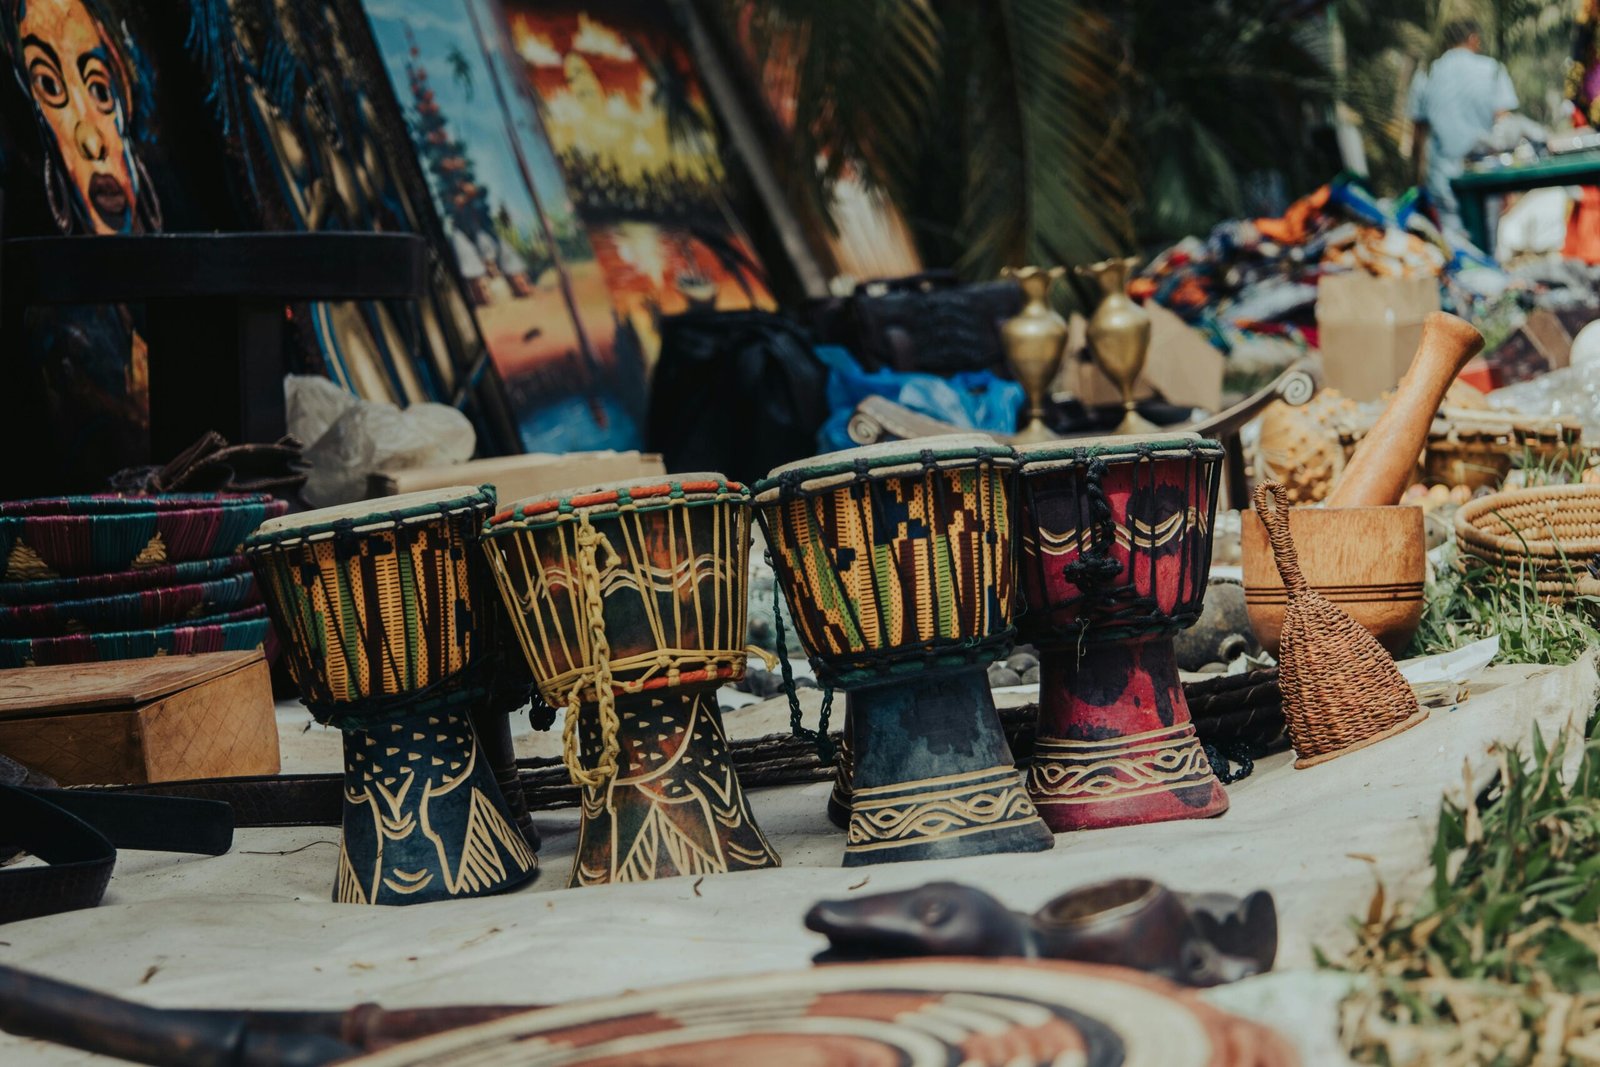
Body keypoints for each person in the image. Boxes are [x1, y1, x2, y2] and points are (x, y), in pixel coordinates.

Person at [1409, 18, 1518, 241]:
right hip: (1485, 174)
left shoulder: (1428, 73)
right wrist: (1509, 181)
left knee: (1453, 245)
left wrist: (1417, 182)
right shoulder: (1492, 70)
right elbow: (1504, 126)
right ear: (1473, 39)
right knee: (1486, 244)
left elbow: (1418, 135)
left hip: (1442, 177)